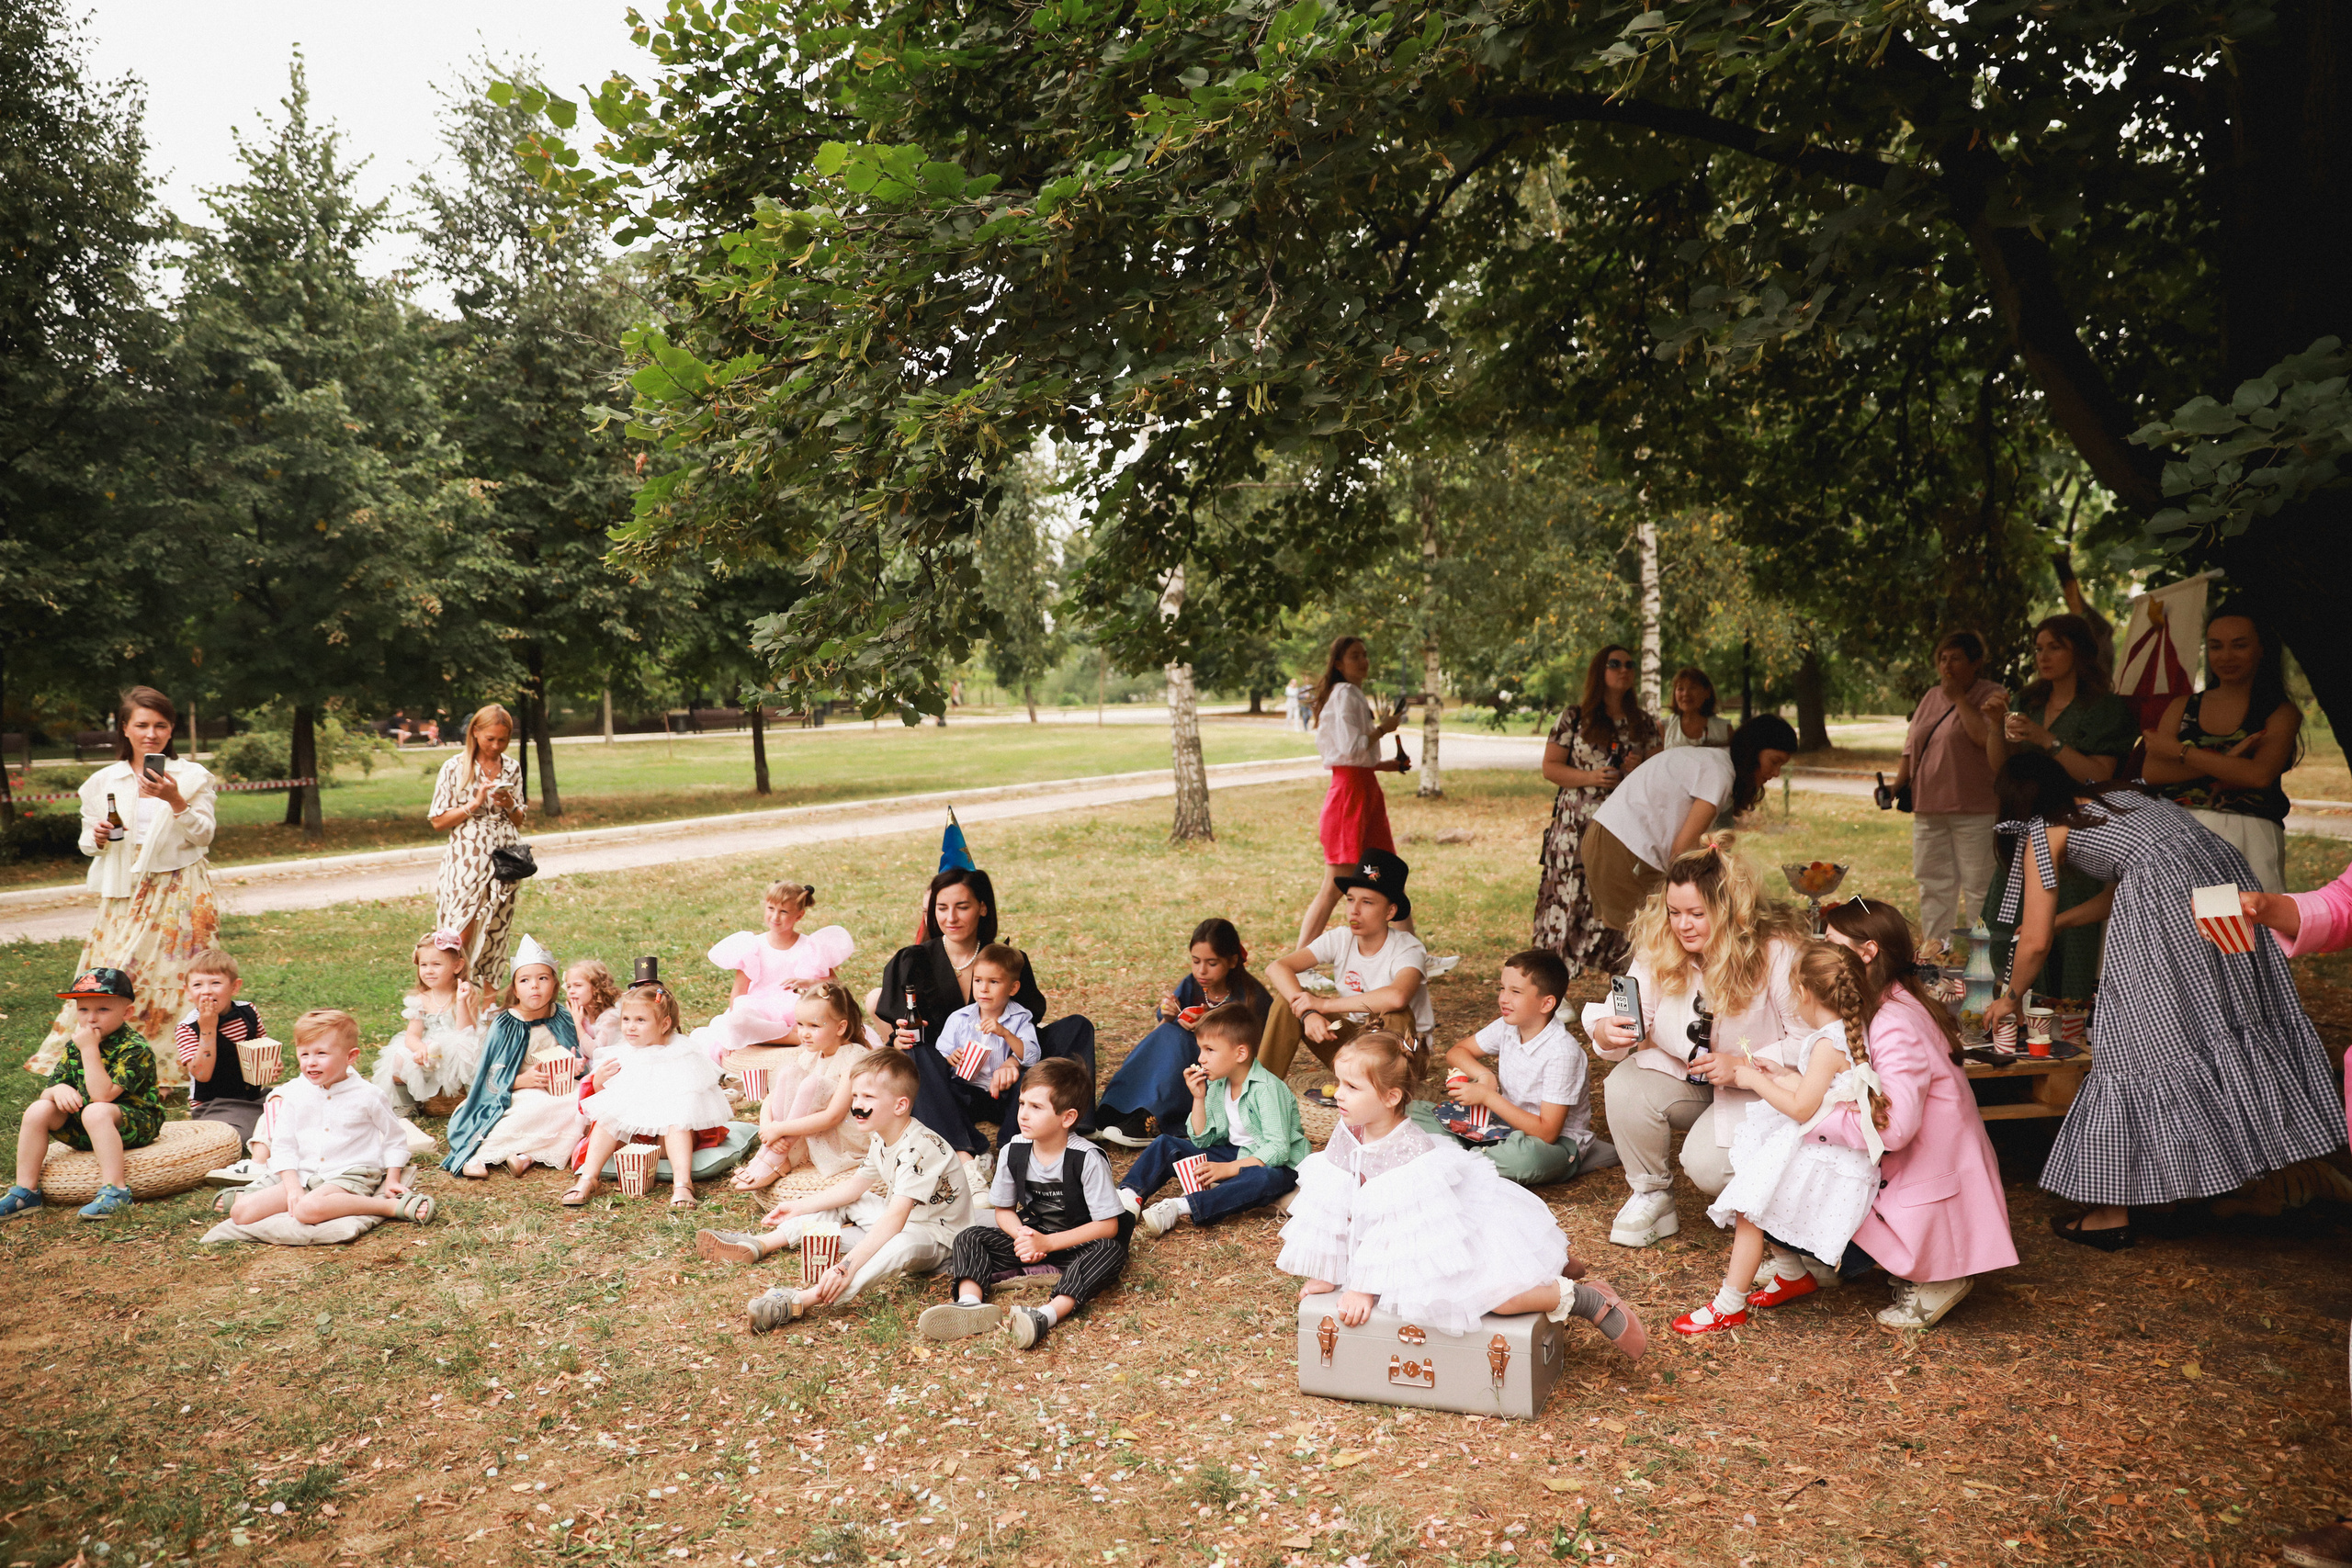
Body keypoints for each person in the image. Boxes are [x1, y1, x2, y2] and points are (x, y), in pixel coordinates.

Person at [1981, 754, 2346, 1248]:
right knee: (2226, 1018)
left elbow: (2035, 943)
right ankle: (2223, 1179)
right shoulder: (2118, 795)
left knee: (2136, 1039)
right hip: (2223, 885)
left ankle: (2114, 1214)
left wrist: (2010, 997)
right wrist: (2067, 919)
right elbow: (2139, 873)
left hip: (2165, 904)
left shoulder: (2044, 830)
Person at [1274, 1032, 1645, 1355]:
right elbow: (1336, 1202)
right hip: (1408, 1237)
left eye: (1352, 1087)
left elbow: (1402, 1231)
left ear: (1390, 1098)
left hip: (1445, 1232)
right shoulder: (1350, 1127)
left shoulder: (1410, 1153)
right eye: (1339, 1083)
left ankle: (1585, 1298)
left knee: (1492, 1298)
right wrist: (1331, 1271)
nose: (1338, 1095)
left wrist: (1364, 1288)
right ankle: (1550, 1265)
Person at [1580, 837, 1812, 1247]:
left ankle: (1795, 1216)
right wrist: (1605, 1029)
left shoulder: (1776, 952)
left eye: (1696, 914)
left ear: (1730, 911)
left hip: (1763, 1088)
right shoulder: (1661, 944)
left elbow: (1810, 1041)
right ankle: (1651, 1196)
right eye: (1674, 912)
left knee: (1706, 1167)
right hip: (1690, 1077)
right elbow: (1625, 1016)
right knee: (1626, 1084)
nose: (1682, 925)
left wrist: (1742, 1066)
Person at [1819, 897, 2016, 1329]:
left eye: (1832, 944)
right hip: (1936, 1160)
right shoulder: (1897, 1000)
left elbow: (1897, 1129)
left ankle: (1940, 1277)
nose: (1822, 951)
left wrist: (1821, 1119)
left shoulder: (1893, 1020)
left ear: (1867, 952)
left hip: (1931, 1167)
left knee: (1809, 1155)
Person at [1676, 942, 1883, 1335]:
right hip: (1825, 1140)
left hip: (1828, 1155)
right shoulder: (1841, 1034)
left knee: (1751, 1208)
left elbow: (1803, 1108)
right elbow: (1821, 1090)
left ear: (1804, 993)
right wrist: (1780, 1074)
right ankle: (1790, 1274)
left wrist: (1752, 1078)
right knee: (1758, 1189)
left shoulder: (1826, 1043)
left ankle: (1728, 1305)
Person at [702, 1051, 978, 1330]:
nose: (857, 1105)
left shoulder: (919, 1147)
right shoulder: (882, 1136)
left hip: (938, 1240)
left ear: (900, 1105)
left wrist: (847, 1265)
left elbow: (895, 1221)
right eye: (855, 1096)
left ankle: (802, 1299)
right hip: (905, 1223)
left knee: (899, 1245)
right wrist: (799, 1206)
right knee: (852, 1200)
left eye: (868, 1097)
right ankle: (760, 1243)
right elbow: (853, 1188)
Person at [30, 687, 219, 1089]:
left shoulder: (191, 777)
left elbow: (203, 836)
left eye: (161, 726)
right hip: (123, 889)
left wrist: (175, 800)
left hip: (179, 884)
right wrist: (96, 837)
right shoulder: (104, 781)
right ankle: (102, 1061)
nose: (151, 734)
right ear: (125, 729)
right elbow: (86, 843)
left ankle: (169, 1070)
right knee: (119, 974)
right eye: (142, 725)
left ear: (171, 731)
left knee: (177, 975)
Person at [870, 867, 1096, 1165]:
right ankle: (965, 1150)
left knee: (1077, 1026)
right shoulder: (913, 961)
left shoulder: (1005, 959)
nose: (950, 918)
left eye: (962, 907)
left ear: (983, 907)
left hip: (1011, 1080)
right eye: (942, 908)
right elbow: (901, 1035)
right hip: (947, 1082)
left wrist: (1014, 1061)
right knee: (916, 1053)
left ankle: (1059, 1128)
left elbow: (1029, 1020)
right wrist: (900, 1041)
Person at [919, 1058, 1131, 1350]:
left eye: (1036, 1107)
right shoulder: (1013, 1150)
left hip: (1077, 1246)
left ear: (1067, 1118)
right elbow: (1004, 1211)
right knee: (969, 1236)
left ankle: (1046, 1315)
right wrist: (1022, 1237)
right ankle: (969, 1303)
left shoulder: (1087, 1158)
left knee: (1111, 1252)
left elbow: (1108, 1226)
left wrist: (1048, 1244)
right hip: (1033, 1238)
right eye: (1022, 1104)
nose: (1024, 1115)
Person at [1979, 614, 2139, 1000]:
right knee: (2009, 923)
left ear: (2081, 651)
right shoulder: (2028, 700)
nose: (2043, 656)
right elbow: (2004, 768)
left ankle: (2067, 1028)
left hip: (2076, 830)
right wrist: (1994, 726)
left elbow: (2100, 773)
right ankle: (2008, 1010)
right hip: (2024, 826)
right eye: (2038, 648)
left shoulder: (2104, 708)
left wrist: (2046, 739)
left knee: (2065, 931)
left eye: (2055, 647)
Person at [1580, 715, 1798, 933]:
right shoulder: (1719, 772)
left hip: (1620, 842)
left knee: (1664, 934)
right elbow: (1683, 852)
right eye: (1774, 761)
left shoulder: (1716, 763)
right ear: (1754, 751)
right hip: (1618, 844)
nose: (1776, 773)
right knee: (1659, 937)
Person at [2139, 605, 2302, 895]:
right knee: (2182, 934)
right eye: (2216, 646)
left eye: (2239, 645)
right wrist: (2228, 761)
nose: (2226, 656)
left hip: (2249, 836)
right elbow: (2153, 772)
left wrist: (2180, 752)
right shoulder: (2182, 706)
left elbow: (2259, 776)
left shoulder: (2280, 712)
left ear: (2262, 649)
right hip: (2179, 832)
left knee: (2244, 935)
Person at [224, 1009, 435, 1228]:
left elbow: (394, 1138)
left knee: (306, 1210)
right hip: (305, 1173)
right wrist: (293, 1187)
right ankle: (301, 1197)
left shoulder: (369, 1095)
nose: (311, 1063)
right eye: (304, 1054)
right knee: (240, 1212)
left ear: (350, 1056)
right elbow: (283, 1144)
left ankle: (388, 1207)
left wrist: (392, 1178)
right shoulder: (295, 1093)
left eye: (321, 1054)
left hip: (351, 1173)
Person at [1413, 948, 1602, 1185]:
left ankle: (1452, 1155)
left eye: (1516, 991)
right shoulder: (1508, 1026)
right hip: (1502, 1125)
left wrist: (1488, 1097)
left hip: (1550, 1144)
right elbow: (1457, 1052)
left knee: (1526, 1159)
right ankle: (1467, 1155)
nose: (1503, 998)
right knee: (1414, 1110)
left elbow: (1547, 1132)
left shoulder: (1562, 1052)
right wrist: (1484, 1075)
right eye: (1502, 988)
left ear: (1546, 1004)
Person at [1115, 1006, 1308, 1238]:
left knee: (1265, 1178)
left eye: (1210, 1050)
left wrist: (1227, 1169)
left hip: (1278, 1165)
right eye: (1200, 1049)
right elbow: (1203, 1138)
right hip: (1237, 1153)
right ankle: (1129, 1197)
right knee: (1167, 1143)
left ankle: (1181, 1206)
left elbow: (1278, 1149)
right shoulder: (1218, 1083)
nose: (1200, 1058)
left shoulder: (1266, 1089)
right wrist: (1198, 1097)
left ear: (1240, 1054)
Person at [1531, 647, 1660, 975]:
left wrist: (1639, 767)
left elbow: (1661, 776)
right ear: (1599, 670)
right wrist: (1591, 777)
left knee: (1618, 897)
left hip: (1625, 827)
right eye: (1614, 664)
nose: (1623, 670)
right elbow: (1550, 768)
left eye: (1630, 665)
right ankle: (1552, 984)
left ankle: (1625, 980)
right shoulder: (1574, 717)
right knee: (1567, 897)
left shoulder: (1643, 723)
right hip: (1576, 825)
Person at [562, 966, 735, 1209]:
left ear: (664, 1024)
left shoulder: (681, 1054)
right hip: (634, 1138)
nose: (630, 1027)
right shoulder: (622, 1053)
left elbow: (692, 1106)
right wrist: (600, 1080)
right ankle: (589, 1179)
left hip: (668, 1139)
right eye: (626, 1020)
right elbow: (598, 1100)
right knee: (606, 1120)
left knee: (677, 1121)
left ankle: (682, 1183)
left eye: (640, 1020)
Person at [1, 966, 164, 1222]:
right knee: (38, 1109)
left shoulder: (134, 1048)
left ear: (127, 1012)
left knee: (96, 1110)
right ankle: (26, 1192)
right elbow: (49, 1090)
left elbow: (103, 1096)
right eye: (84, 1009)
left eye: (103, 1009)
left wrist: (90, 1049)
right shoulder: (77, 1044)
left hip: (135, 1124)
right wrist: (58, 1089)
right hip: (88, 1125)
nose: (91, 1019)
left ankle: (117, 1190)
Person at [1095, 918, 1272, 1148]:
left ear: (1232, 961)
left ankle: (1151, 1119)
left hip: (1221, 1077)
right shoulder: (1193, 984)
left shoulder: (1250, 996)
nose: (1201, 970)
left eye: (1212, 963)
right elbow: (1158, 1038)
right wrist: (1168, 1015)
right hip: (1187, 1068)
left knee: (1175, 1037)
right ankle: (1114, 1109)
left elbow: (1255, 1054)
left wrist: (1211, 1027)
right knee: (1169, 1032)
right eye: (1195, 961)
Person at [1263, 848, 1433, 1077]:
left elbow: (1397, 996)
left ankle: (1382, 1097)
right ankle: (1258, 1092)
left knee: (1395, 1013)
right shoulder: (1341, 938)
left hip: (1405, 1055)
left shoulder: (1408, 948)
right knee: (1288, 1001)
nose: (1354, 911)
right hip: (1352, 1044)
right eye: (1350, 900)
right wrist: (1308, 1014)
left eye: (1367, 902)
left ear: (1390, 911)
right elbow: (1277, 967)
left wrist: (1322, 1005)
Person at [1295, 637, 1415, 949]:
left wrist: (1388, 764)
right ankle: (1297, 963)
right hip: (1350, 797)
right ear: (1338, 663)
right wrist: (1384, 728)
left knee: (1388, 878)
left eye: (1365, 654)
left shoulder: (1350, 694)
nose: (1363, 661)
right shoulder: (1345, 693)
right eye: (1354, 656)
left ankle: (1413, 955)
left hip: (1363, 789)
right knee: (1334, 885)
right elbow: (1349, 751)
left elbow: (1356, 758)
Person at [1886, 631, 2003, 946]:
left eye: (1956, 658)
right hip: (1928, 809)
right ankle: (1937, 954)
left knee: (1978, 886)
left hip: (1975, 809)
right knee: (1933, 884)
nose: (1947, 665)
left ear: (1976, 663)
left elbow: (1983, 738)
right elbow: (1912, 746)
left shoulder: (1991, 695)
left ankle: (1983, 957)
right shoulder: (1930, 696)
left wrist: (1959, 700)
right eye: (1943, 658)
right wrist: (1896, 784)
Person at [442, 936, 585, 1179]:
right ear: (515, 988)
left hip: (561, 1090)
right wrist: (520, 1080)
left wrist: (577, 1066)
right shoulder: (506, 1024)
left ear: (554, 984)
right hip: (517, 1092)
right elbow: (488, 1076)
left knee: (580, 1104)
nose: (535, 986)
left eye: (543, 978)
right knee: (530, 1108)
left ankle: (524, 1156)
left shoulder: (561, 1015)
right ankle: (480, 1154)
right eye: (525, 980)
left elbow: (577, 1057)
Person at [689, 879, 855, 1063]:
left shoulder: (810, 946)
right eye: (771, 909)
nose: (775, 917)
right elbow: (739, 990)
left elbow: (836, 986)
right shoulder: (754, 945)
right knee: (734, 1022)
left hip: (797, 1009)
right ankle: (792, 1037)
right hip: (760, 1009)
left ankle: (794, 1035)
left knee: (818, 1019)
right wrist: (733, 1021)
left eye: (784, 912)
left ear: (799, 916)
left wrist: (809, 983)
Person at [729, 982, 874, 1191]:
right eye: (800, 1025)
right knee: (789, 1072)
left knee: (812, 1082)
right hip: (801, 1128)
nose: (804, 1033)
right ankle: (769, 1154)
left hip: (840, 1133)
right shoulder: (812, 1053)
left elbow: (833, 1116)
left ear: (841, 1027)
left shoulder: (854, 1058)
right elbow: (772, 1097)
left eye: (814, 1026)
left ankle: (778, 1156)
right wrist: (768, 1128)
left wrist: (780, 1129)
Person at [427, 703, 528, 996]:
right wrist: (473, 804)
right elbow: (437, 821)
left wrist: (508, 803)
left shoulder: (512, 767)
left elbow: (520, 818)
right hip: (467, 857)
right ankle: (452, 997)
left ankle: (488, 1003)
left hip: (505, 854)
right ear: (475, 733)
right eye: (490, 739)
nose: (496, 746)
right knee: (461, 927)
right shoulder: (454, 767)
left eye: (503, 740)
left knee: (497, 927)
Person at [371, 931, 485, 1117]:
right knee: (398, 1058)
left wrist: (461, 1001)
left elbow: (466, 1031)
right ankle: (408, 1104)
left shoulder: (466, 993)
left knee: (466, 1052)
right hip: (429, 1047)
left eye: (436, 964)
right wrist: (420, 1048)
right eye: (423, 965)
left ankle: (474, 1100)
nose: (428, 970)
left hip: (459, 1042)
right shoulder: (421, 999)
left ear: (457, 966)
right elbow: (412, 1035)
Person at [176, 948, 268, 1149]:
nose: (207, 991)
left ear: (235, 987)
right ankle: (262, 1128)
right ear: (188, 991)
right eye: (198, 985)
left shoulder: (248, 1011)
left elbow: (263, 1047)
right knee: (236, 1137)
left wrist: (270, 1065)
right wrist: (208, 1028)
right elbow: (202, 1074)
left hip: (252, 1095)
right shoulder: (187, 1028)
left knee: (293, 1100)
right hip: (214, 1104)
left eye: (215, 983)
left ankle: (267, 1123)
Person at [1660, 666, 1731, 750]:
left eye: (1692, 688)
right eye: (1680, 689)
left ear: (1707, 692)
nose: (1686, 694)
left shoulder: (1724, 729)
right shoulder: (1664, 727)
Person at [564, 959, 623, 1055]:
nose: (571, 991)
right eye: (569, 986)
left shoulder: (610, 1017)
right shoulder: (580, 1014)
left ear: (596, 988)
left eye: (578, 985)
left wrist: (577, 1025)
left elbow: (595, 1052)